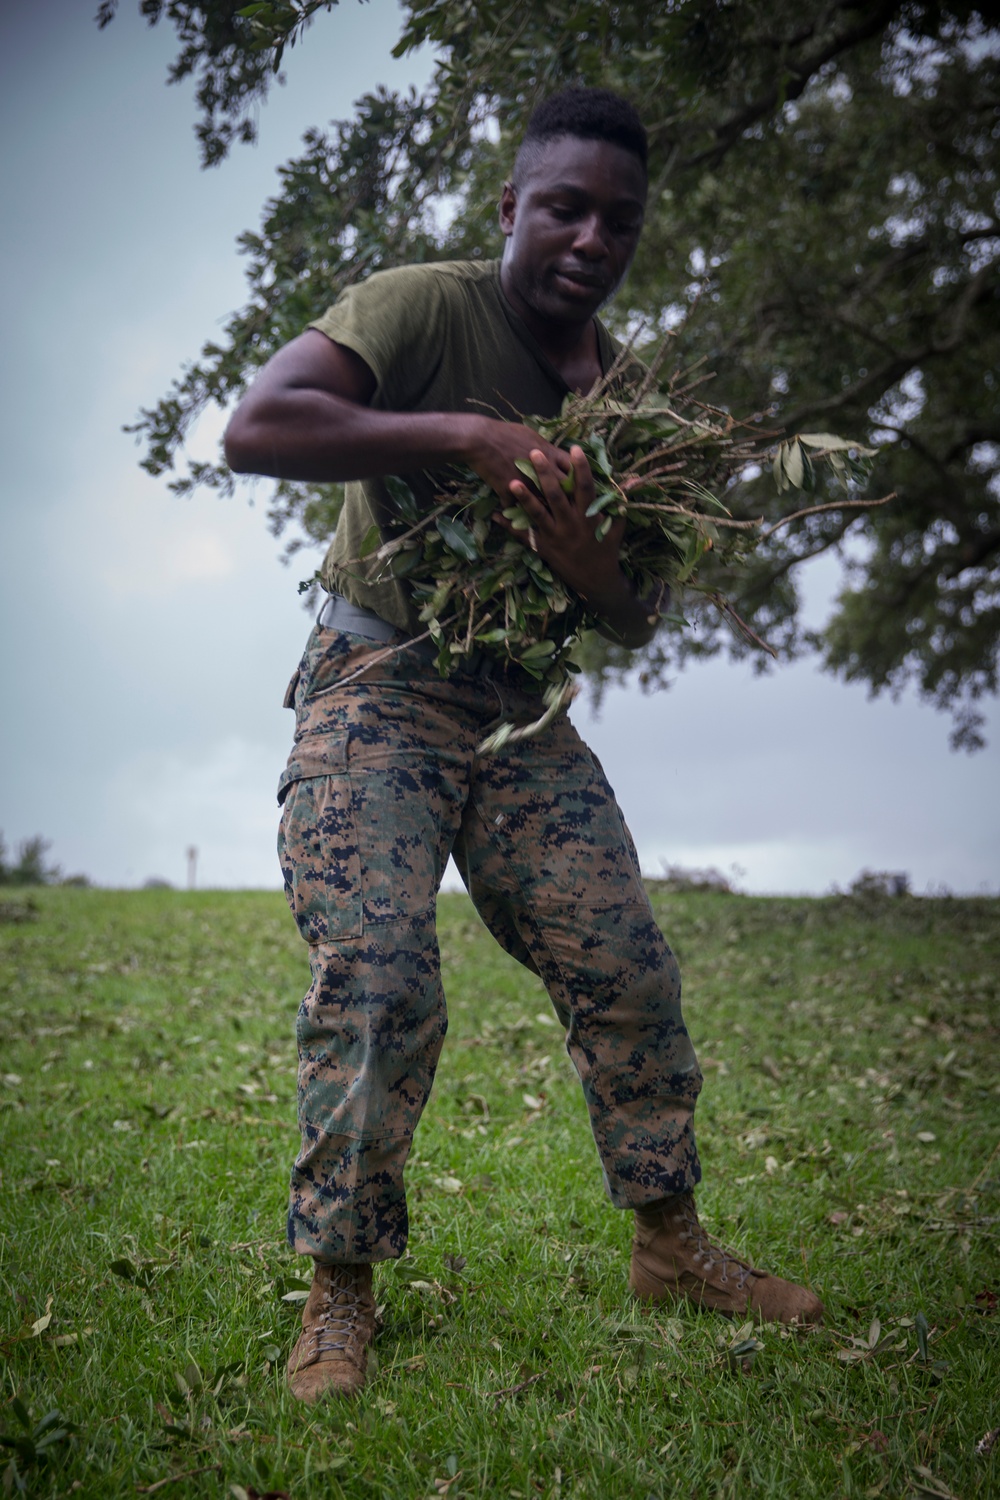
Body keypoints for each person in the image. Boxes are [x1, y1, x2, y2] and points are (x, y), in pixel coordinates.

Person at [225, 87, 823, 1405]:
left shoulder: (625, 397)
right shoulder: (421, 306)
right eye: (564, 207)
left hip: (517, 706)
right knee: (380, 979)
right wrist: (470, 435)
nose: (590, 238)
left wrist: (591, 561)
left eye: (620, 220)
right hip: (375, 677)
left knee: (626, 965)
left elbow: (634, 611)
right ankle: (340, 1289)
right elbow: (257, 428)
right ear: (511, 207)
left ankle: (671, 1245)